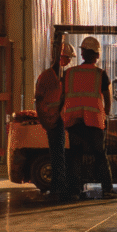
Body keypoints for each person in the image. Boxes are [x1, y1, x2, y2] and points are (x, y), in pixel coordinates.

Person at [61, 36, 114, 199]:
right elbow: (107, 98)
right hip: (94, 121)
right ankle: (107, 190)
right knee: (100, 156)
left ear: (82, 54)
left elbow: (62, 96)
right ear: (97, 55)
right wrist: (106, 114)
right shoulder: (100, 74)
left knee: (75, 156)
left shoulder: (69, 73)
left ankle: (75, 191)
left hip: (74, 121)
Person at [34, 40, 75, 196]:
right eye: (68, 58)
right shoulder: (47, 77)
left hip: (59, 120)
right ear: (61, 57)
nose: (70, 61)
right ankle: (58, 186)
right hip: (53, 120)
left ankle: (60, 184)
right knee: (57, 155)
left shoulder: (60, 76)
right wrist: (45, 121)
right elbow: (39, 100)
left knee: (60, 154)